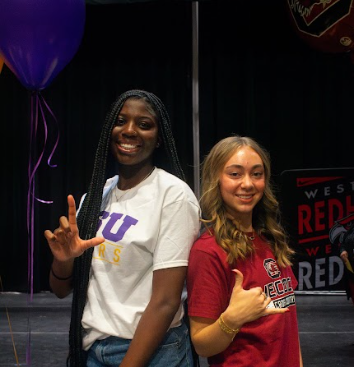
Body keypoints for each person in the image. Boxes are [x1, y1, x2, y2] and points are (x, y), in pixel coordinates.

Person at [44, 89, 201, 367]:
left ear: (159, 138)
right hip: (94, 349)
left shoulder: (173, 195)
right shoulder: (96, 196)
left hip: (154, 353)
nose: (129, 131)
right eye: (120, 121)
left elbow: (166, 302)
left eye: (144, 125)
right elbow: (60, 289)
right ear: (108, 130)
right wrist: (63, 260)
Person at [187, 135, 303, 366]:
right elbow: (201, 344)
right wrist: (233, 318)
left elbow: (289, 322)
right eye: (235, 174)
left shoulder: (270, 239)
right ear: (216, 180)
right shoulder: (209, 251)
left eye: (257, 174)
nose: (248, 183)